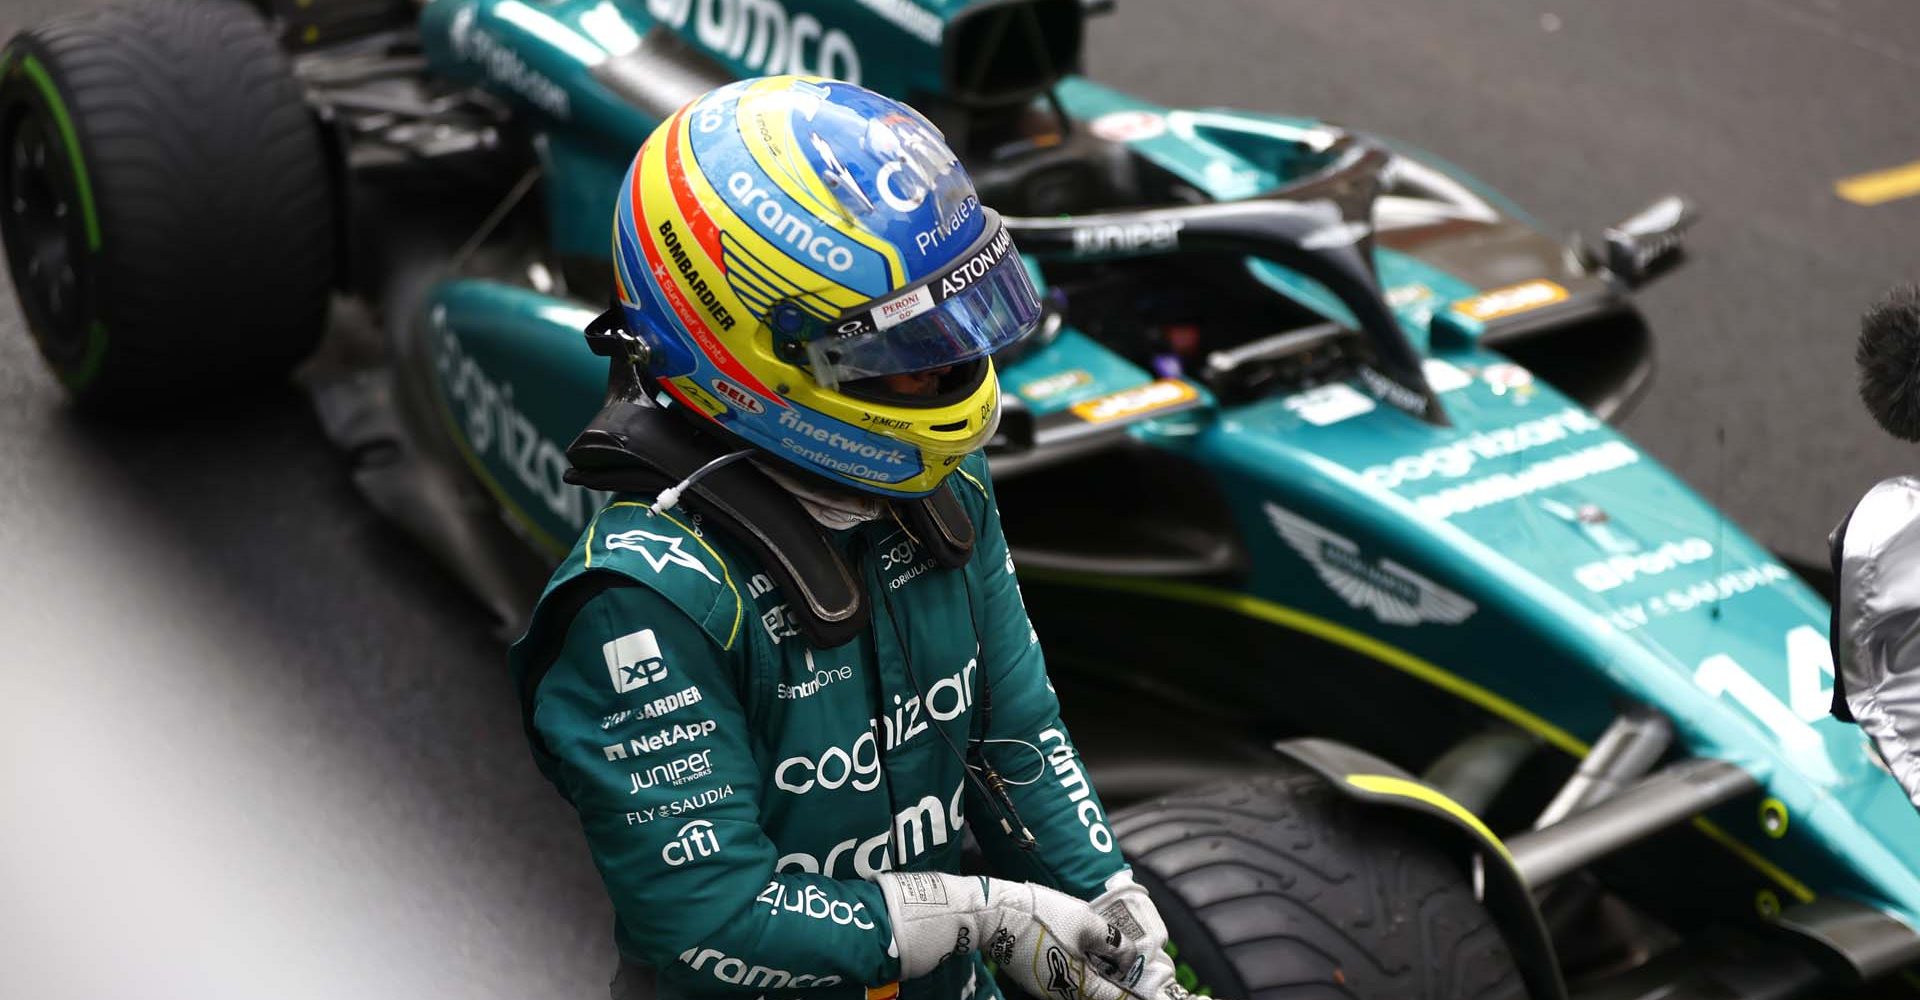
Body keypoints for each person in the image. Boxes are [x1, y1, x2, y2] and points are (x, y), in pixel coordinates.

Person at [508, 75, 1181, 1000]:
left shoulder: (945, 489)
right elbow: (707, 917)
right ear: (743, 347)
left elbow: (1015, 733)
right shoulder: (640, 601)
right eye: (905, 355)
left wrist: (1112, 902)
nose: (948, 367)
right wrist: (985, 913)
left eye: (956, 326)